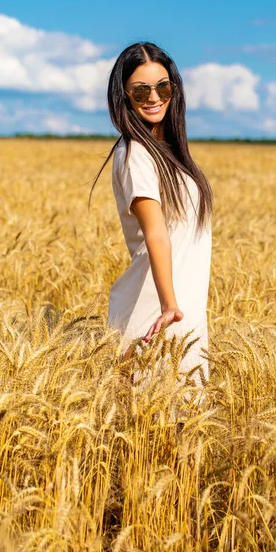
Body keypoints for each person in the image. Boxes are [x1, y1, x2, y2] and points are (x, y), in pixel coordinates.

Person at [90, 42, 213, 386]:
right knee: (149, 431)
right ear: (123, 96)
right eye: (140, 90)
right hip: (156, 314)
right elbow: (155, 234)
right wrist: (169, 306)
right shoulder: (136, 153)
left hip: (181, 312)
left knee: (178, 430)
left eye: (163, 86)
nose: (154, 97)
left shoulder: (169, 153)